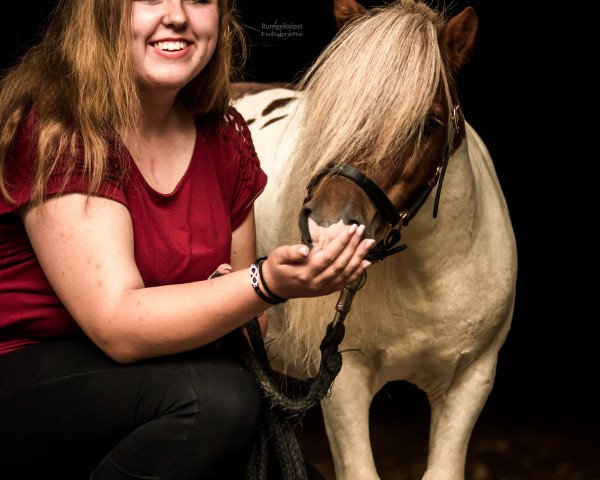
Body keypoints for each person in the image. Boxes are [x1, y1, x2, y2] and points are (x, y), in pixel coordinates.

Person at [0, 0, 374, 479]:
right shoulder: (64, 130)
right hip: (27, 380)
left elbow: (244, 330)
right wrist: (262, 284)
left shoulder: (225, 138)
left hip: (169, 386)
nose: (177, 16)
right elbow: (117, 324)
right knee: (213, 400)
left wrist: (247, 292)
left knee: (282, 460)